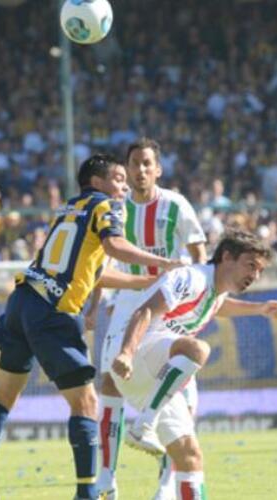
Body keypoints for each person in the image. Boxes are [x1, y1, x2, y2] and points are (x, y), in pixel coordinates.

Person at [0, 154, 181, 500]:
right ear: (98, 182)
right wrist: (163, 262)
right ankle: (87, 493)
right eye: (119, 178)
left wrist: (143, 283)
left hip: (21, 301)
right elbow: (114, 245)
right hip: (52, 310)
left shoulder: (69, 207)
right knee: (87, 404)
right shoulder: (106, 206)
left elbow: (95, 270)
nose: (124, 185)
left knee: (4, 396)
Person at [110, 230, 277, 499]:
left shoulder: (215, 293)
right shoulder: (191, 276)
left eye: (259, 270)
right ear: (227, 257)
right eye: (251, 265)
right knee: (198, 349)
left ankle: (145, 423)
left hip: (153, 378)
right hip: (137, 355)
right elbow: (144, 311)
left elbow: (220, 306)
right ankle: (144, 422)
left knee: (190, 456)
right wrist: (126, 353)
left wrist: (259, 309)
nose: (255, 275)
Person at [96, 138, 208, 500]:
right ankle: (106, 479)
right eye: (135, 163)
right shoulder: (116, 210)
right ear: (126, 170)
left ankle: (166, 484)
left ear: (157, 169)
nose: (141, 170)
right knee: (110, 381)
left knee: (178, 394)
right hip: (128, 301)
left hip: (168, 304)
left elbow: (199, 255)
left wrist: (195, 299)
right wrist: (92, 305)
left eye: (147, 163)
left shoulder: (176, 205)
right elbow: (102, 261)